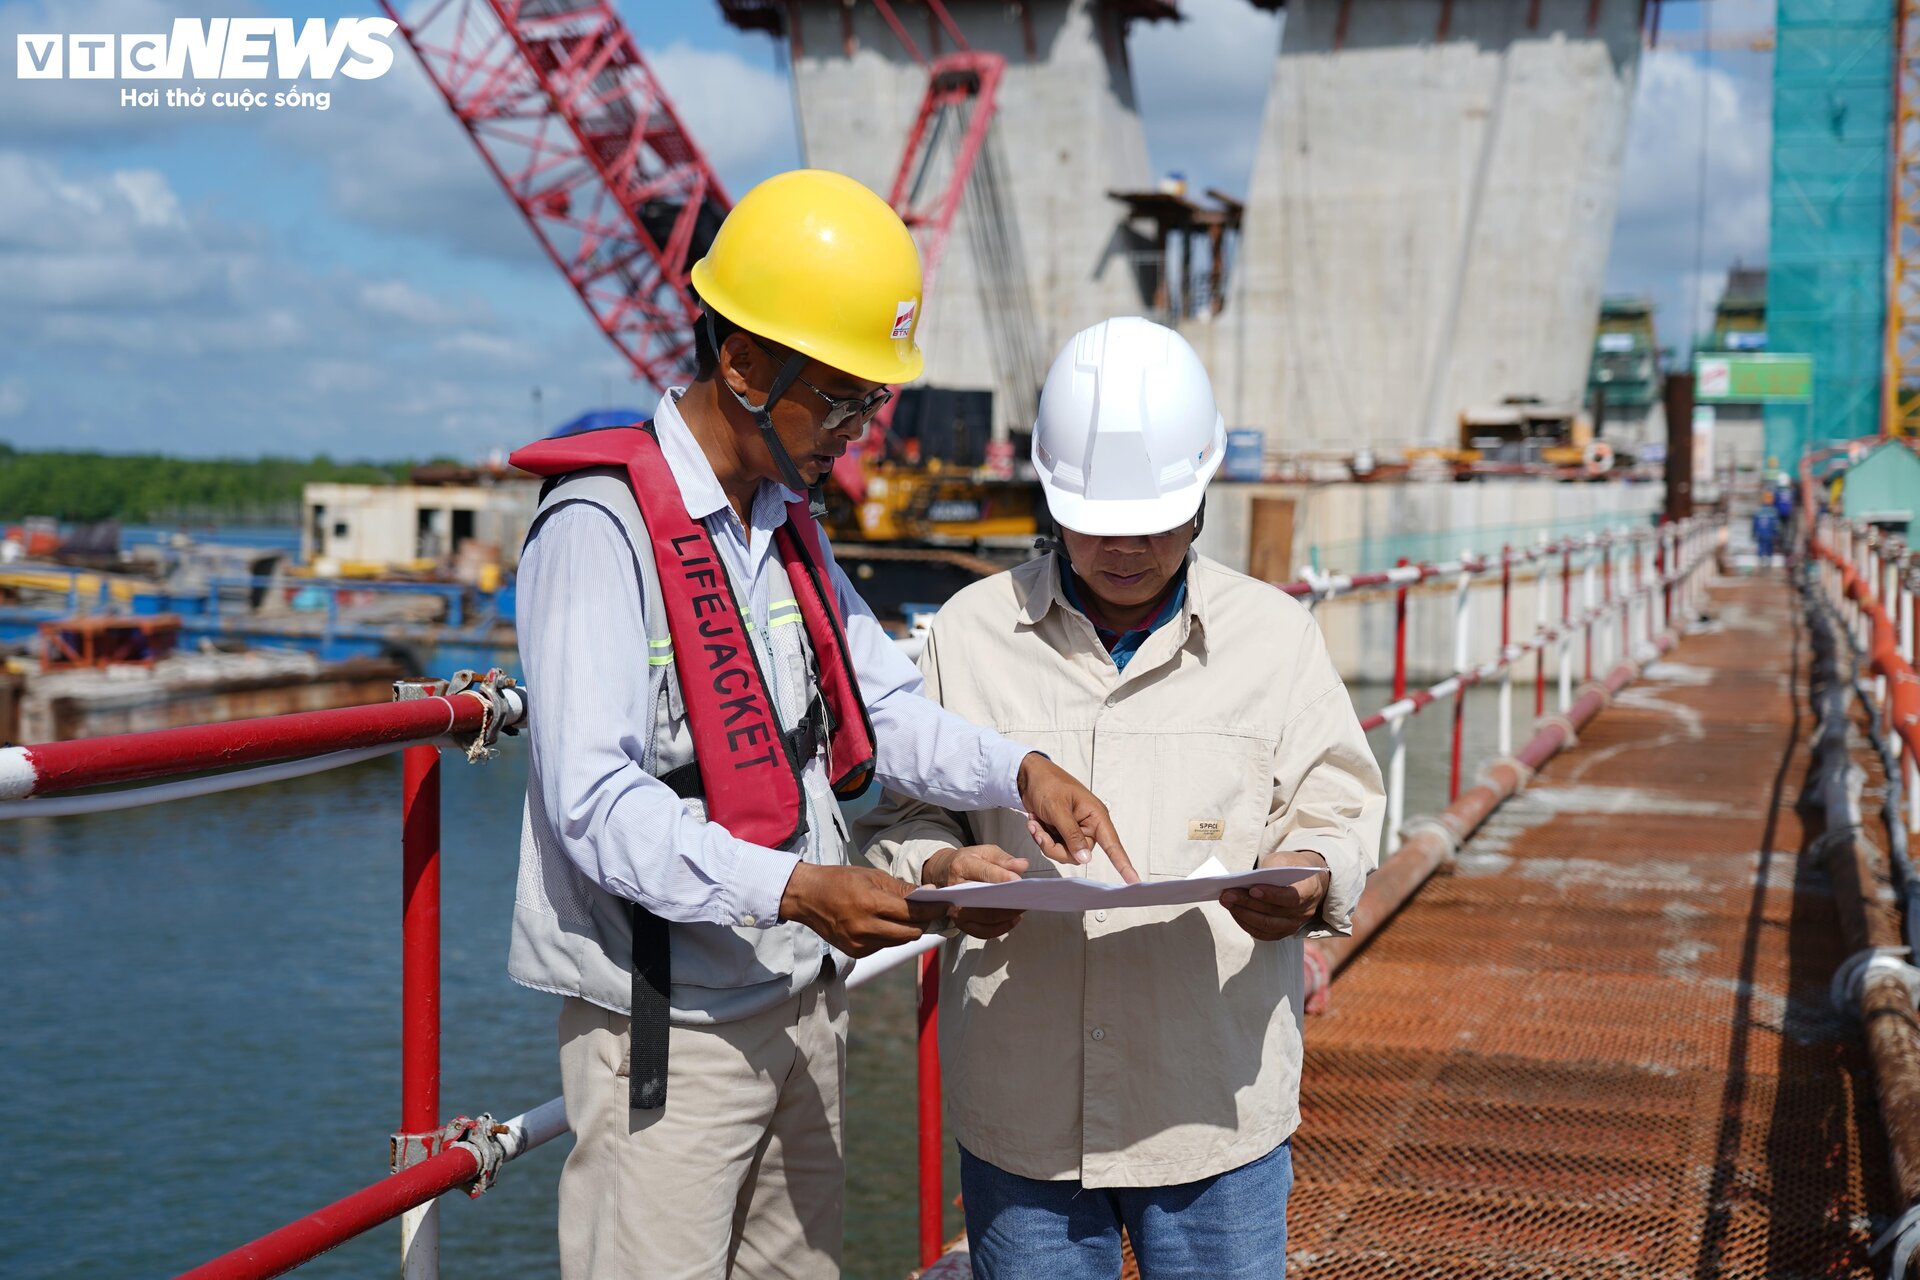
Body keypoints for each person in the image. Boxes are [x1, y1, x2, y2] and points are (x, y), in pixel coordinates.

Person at [507, 169, 1135, 1280]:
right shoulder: (599, 533)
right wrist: (800, 887)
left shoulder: (786, 524)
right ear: (743, 362)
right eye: (839, 401)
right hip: (673, 1032)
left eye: (868, 405)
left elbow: (878, 704)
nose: (855, 434)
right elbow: (595, 804)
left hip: (802, 1002)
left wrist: (1020, 764)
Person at [859, 316, 1385, 1279]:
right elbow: (906, 814)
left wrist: (1308, 879)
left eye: (1158, 521)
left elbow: (1337, 805)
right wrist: (943, 868)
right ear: (1052, 502)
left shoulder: (1275, 637)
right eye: (1099, 523)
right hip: (1028, 1118)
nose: (1129, 547)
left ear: (1201, 499)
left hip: (1213, 1106)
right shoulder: (968, 634)